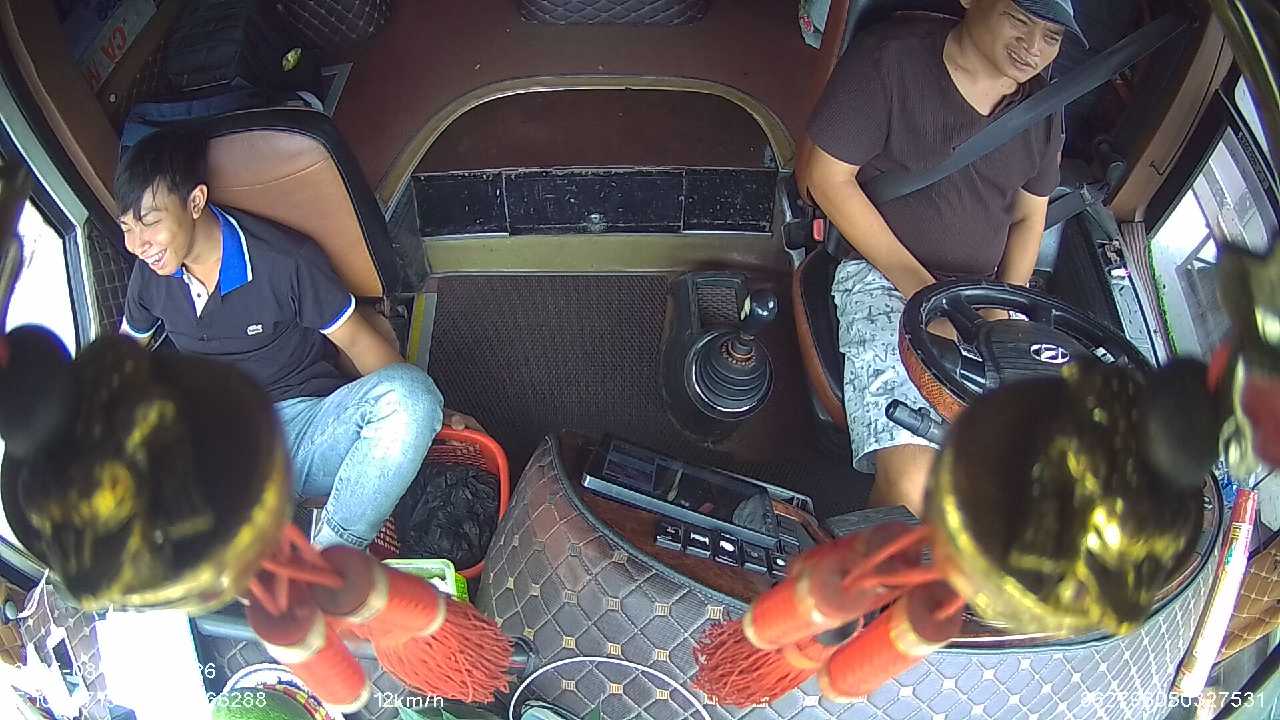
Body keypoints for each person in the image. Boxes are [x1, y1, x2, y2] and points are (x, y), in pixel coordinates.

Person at [114, 126, 468, 550]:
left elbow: (359, 342)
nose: (137, 244)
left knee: (412, 399)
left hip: (302, 430)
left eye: (150, 223)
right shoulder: (151, 277)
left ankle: (330, 558)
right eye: (126, 228)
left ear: (195, 202)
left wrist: (435, 413)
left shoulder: (283, 262)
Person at [805, 0, 1084, 514]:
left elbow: (1029, 218)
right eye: (1020, 20)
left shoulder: (1044, 106)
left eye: (1051, 37)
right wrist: (924, 293)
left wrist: (1001, 313)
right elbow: (824, 177)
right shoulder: (890, 62)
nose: (1032, 48)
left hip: (982, 294)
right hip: (881, 277)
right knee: (915, 485)